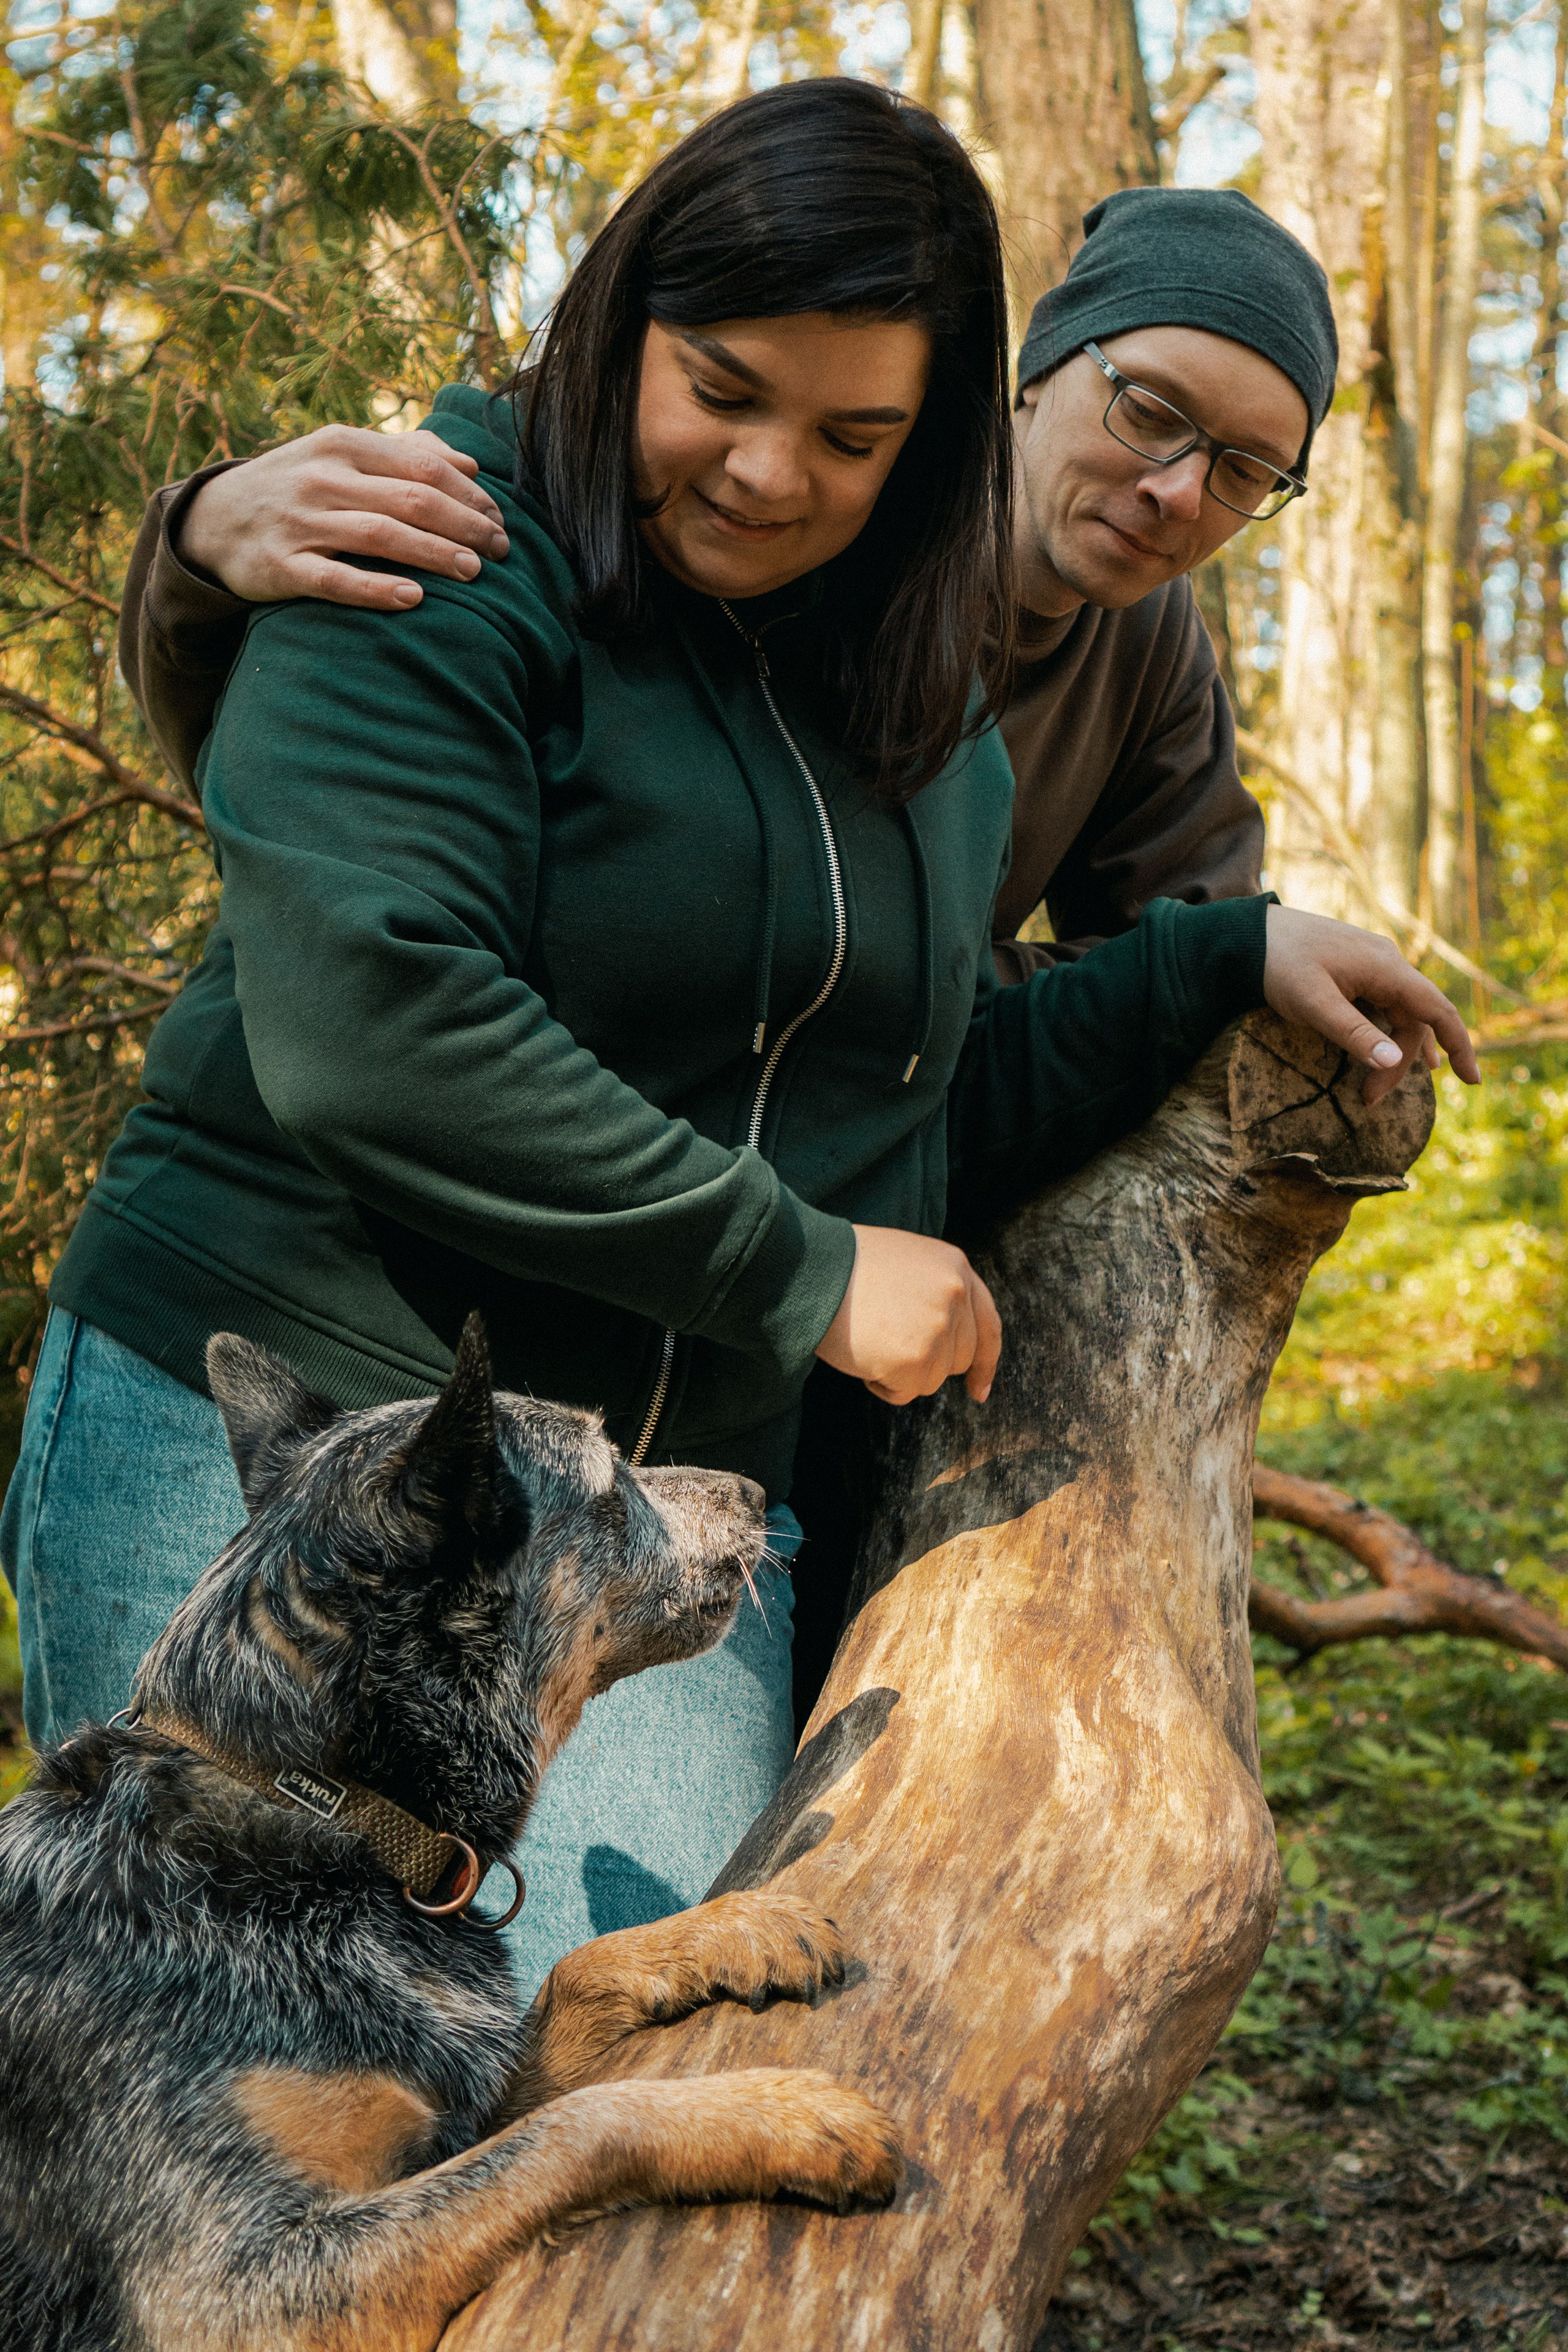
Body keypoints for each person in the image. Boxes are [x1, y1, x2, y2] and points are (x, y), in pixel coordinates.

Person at [2, 81, 1474, 1999]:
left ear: (933, 442)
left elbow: (906, 1099)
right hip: (294, 1423)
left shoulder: (914, 688)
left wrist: (1221, 956)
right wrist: (799, 1269)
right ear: (625, 320)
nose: (776, 472)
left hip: (647, 1492)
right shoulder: (448, 529)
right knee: (217, 2115)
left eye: (856, 435)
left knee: (619, 2071)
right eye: (722, 388)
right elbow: (381, 1028)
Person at [117, 185, 1333, 974]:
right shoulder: (792, 518)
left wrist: (1226, 964)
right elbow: (321, 777)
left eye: (1243, 471)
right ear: (1032, 372)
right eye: (1148, 412)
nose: (1176, 490)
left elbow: (1182, 950)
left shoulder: (1148, 639)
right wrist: (195, 547)